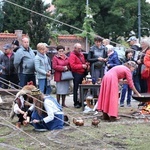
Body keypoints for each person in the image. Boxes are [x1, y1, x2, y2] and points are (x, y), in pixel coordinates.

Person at [69, 43, 88, 108]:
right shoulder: (72, 55)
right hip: (76, 73)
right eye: (78, 48)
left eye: (80, 48)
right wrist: (82, 66)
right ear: (75, 48)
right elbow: (72, 66)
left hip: (83, 73)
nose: (80, 50)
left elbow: (83, 61)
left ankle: (81, 101)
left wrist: (85, 64)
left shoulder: (81, 54)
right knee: (76, 88)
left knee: (83, 88)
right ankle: (76, 102)